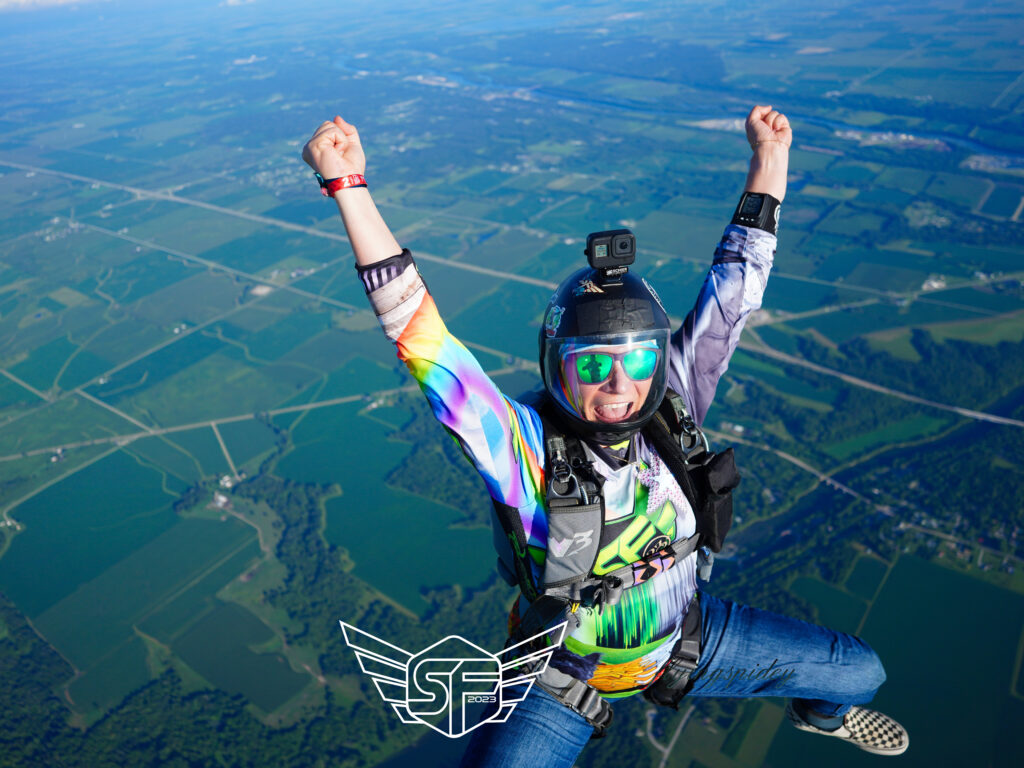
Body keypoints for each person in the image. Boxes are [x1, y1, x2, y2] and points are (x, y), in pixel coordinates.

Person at [302, 106, 909, 766]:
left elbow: (736, 289)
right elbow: (426, 344)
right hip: (556, 676)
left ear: (656, 361)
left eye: (638, 361)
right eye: (593, 365)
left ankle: (821, 717)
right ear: (559, 368)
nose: (621, 384)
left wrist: (770, 160)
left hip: (684, 640)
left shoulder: (672, 405)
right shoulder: (525, 451)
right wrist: (348, 187)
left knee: (861, 673)